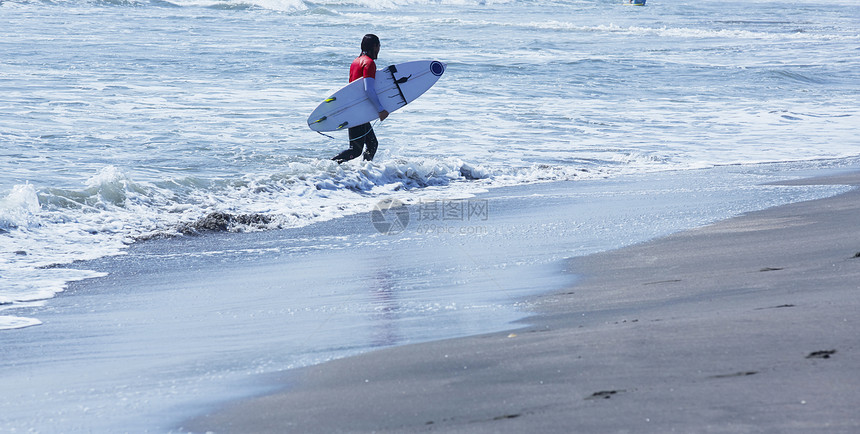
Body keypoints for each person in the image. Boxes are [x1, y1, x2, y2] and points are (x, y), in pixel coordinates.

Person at [332, 34, 390, 164]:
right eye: (379, 46)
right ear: (375, 46)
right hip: (357, 111)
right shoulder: (369, 63)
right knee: (355, 150)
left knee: (372, 144)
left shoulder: (356, 61)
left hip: (355, 108)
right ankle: (329, 166)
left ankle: (364, 173)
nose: (379, 49)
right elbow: (368, 89)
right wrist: (380, 109)